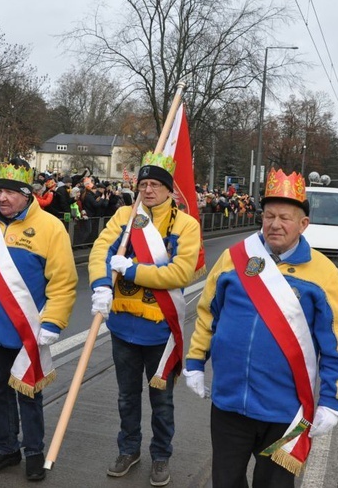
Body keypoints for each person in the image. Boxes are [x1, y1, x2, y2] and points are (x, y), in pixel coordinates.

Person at [184, 168, 338, 488]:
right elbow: (208, 313)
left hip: (285, 412)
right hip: (229, 404)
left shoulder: (323, 273)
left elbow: (335, 345)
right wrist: (195, 362)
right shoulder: (235, 258)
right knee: (226, 482)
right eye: (269, 215)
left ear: (304, 224)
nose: (275, 224)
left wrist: (332, 400)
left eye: (285, 217)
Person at [0, 158, 77, 481]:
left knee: (29, 393)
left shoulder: (50, 228)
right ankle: (5, 448)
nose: (2, 198)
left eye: (9, 193)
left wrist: (53, 323)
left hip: (28, 331)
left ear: (27, 195)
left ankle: (34, 451)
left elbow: (62, 282)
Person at [88, 152, 201, 486]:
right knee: (126, 397)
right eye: (144, 184)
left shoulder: (185, 224)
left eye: (155, 184)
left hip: (160, 331)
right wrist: (100, 285)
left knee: (161, 401)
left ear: (169, 190)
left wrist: (132, 270)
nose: (148, 190)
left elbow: (180, 272)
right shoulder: (125, 214)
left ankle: (161, 456)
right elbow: (100, 251)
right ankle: (129, 449)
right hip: (123, 327)